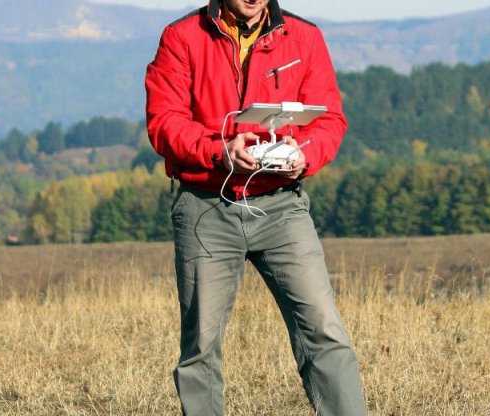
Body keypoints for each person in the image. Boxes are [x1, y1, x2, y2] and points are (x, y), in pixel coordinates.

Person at [145, 0, 367, 414]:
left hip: (282, 207)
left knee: (324, 331)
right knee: (201, 346)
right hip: (205, 207)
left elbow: (329, 119)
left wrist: (306, 153)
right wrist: (219, 150)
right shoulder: (181, 37)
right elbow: (163, 121)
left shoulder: (304, 36)